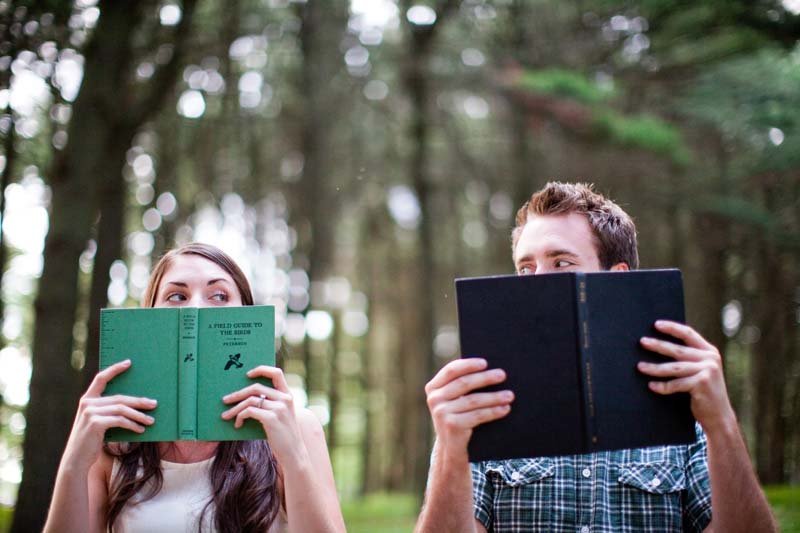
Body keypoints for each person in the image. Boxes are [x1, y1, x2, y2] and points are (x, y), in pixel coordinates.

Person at [416, 182, 777, 533]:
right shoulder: (481, 407)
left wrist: (722, 424)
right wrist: (451, 449)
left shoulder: (684, 411)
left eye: (560, 263)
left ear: (615, 281)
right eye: (526, 268)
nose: (537, 282)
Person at [44, 243, 346, 533]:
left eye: (219, 295)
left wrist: (293, 457)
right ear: (149, 316)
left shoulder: (298, 426)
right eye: (176, 296)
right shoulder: (115, 438)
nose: (197, 307)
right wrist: (74, 463)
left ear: (245, 314)